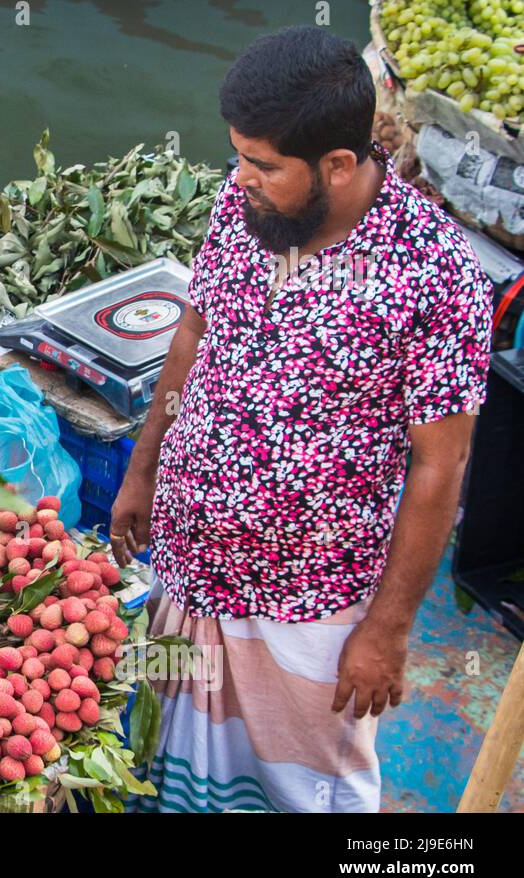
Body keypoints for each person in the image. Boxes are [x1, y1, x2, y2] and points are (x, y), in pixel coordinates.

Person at [110, 26, 492, 812]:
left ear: (340, 165)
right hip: (190, 560)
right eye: (240, 156)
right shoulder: (248, 204)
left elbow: (440, 465)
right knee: (168, 752)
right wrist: (142, 471)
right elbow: (195, 330)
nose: (239, 176)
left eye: (262, 164)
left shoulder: (435, 274)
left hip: (308, 598)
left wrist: (386, 630)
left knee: (301, 784)